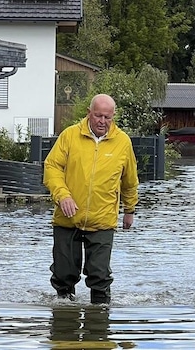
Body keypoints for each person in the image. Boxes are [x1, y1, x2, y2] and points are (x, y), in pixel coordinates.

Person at [43, 93, 139, 305]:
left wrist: (129, 210)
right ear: (89, 113)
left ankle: (99, 325)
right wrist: (62, 195)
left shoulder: (123, 142)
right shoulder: (69, 136)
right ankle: (64, 324)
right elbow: (51, 167)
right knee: (63, 274)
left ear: (113, 117)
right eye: (98, 116)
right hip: (67, 218)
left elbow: (130, 180)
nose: (102, 121)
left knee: (100, 276)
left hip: (102, 220)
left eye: (107, 117)